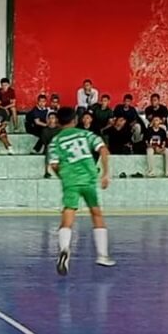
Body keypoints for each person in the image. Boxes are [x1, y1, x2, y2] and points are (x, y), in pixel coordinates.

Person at [48, 107, 115, 274]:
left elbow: (54, 165)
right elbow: (103, 150)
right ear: (75, 120)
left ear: (58, 121)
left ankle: (64, 249)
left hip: (70, 181)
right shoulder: (86, 134)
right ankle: (102, 255)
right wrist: (106, 173)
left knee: (68, 216)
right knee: (96, 214)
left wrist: (64, 177)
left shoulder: (55, 141)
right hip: (89, 179)